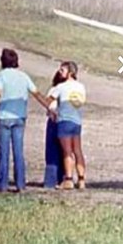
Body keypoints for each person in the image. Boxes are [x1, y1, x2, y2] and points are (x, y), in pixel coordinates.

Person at [0, 48, 37, 192]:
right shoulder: (23, 76)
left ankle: (2, 184)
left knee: (4, 152)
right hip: (20, 117)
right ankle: (20, 184)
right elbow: (36, 92)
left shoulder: (0, 75)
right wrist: (49, 107)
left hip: (4, 116)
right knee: (18, 152)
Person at [43, 61, 87, 190]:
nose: (60, 72)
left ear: (70, 72)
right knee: (78, 151)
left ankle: (68, 179)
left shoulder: (61, 87)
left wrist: (52, 110)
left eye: (62, 70)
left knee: (67, 152)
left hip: (64, 121)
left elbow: (48, 101)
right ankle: (81, 179)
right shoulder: (81, 87)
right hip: (77, 121)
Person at [42, 70, 67, 188]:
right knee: (65, 151)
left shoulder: (53, 90)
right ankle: (63, 178)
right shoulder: (69, 90)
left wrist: (52, 112)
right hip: (65, 120)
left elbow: (49, 105)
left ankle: (51, 180)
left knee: (52, 151)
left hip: (53, 121)